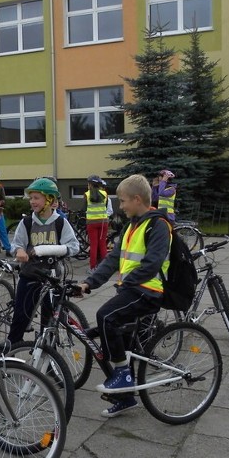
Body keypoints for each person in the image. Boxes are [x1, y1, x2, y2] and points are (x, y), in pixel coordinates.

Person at [79, 174, 172, 417]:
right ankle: (126, 398)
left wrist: (126, 283)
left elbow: (152, 264)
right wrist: (90, 283)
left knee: (105, 316)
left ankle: (121, 375)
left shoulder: (158, 225)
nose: (120, 207)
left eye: (122, 202)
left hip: (149, 290)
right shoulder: (133, 225)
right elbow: (112, 259)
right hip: (134, 288)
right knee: (123, 340)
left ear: (137, 199)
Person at [5, 177, 80, 349]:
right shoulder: (27, 222)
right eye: (30, 198)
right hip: (30, 274)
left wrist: (54, 250)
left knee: (50, 319)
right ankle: (10, 351)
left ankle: (48, 356)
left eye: (36, 198)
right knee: (21, 315)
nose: (32, 201)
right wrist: (19, 251)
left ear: (49, 199)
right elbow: (16, 244)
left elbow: (74, 247)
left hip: (52, 276)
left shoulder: (61, 222)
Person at [84, 175, 112, 269]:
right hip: (103, 222)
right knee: (102, 244)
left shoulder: (87, 194)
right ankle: (104, 267)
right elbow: (106, 205)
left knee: (93, 245)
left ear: (90, 184)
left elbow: (84, 208)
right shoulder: (104, 194)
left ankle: (93, 267)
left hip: (91, 222)